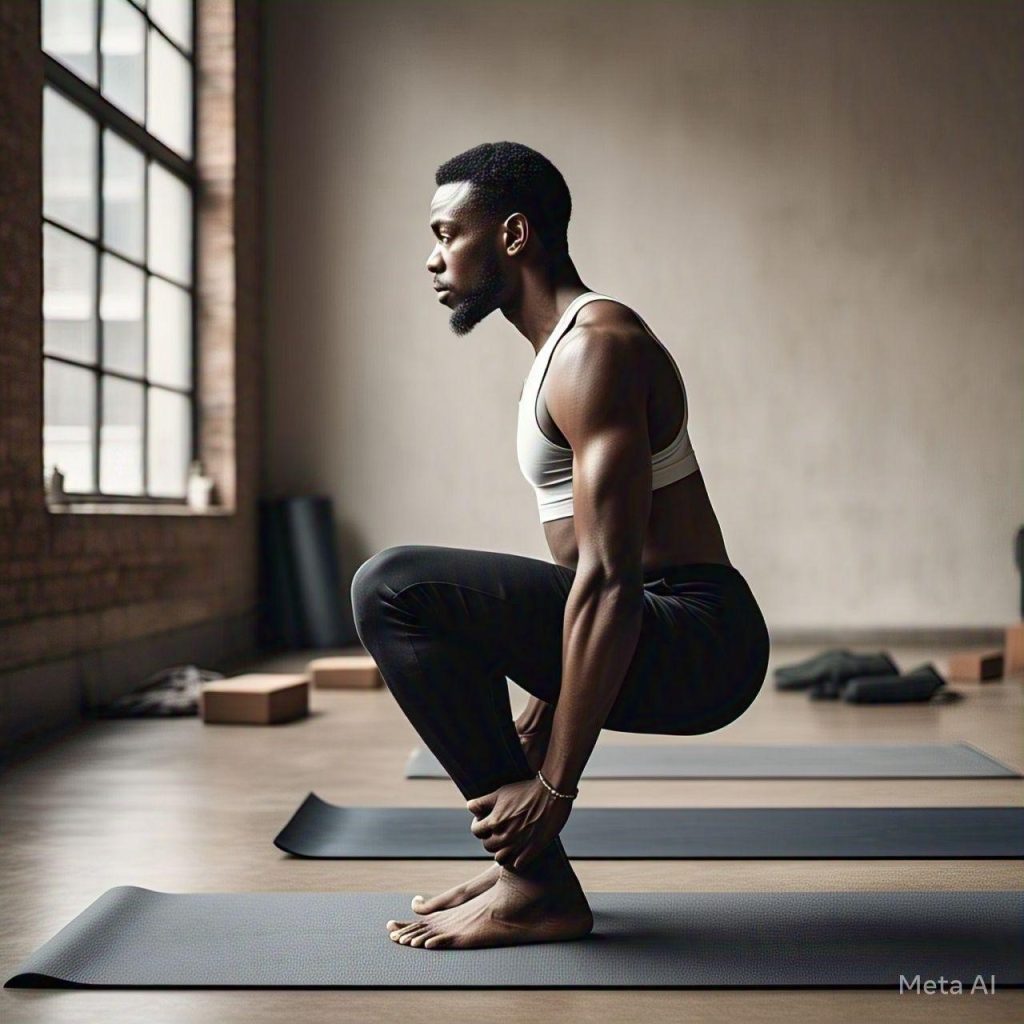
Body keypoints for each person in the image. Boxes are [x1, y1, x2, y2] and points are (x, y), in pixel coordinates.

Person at [350, 141, 770, 950]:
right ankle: (528, 877)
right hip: (662, 624)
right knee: (425, 604)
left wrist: (552, 788)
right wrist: (533, 765)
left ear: (513, 235)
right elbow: (579, 571)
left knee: (392, 586)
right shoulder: (554, 356)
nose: (432, 260)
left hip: (703, 641)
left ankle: (536, 889)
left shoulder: (595, 351)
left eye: (448, 235)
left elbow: (610, 583)